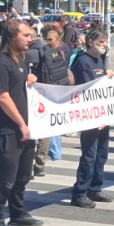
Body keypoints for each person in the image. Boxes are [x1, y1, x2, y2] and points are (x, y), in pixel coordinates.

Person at [0, 19, 42, 226]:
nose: (31, 39)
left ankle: (17, 211)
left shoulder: (23, 59)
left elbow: (17, 86)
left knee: (23, 175)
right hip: (7, 130)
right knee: (4, 178)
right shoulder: (0, 63)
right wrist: (20, 123)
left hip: (26, 129)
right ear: (11, 37)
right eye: (26, 35)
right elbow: (2, 96)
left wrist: (29, 78)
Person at [70, 30, 114, 208]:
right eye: (101, 41)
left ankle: (95, 188)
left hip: (103, 115)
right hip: (89, 116)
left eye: (105, 42)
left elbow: (102, 85)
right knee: (89, 156)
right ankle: (79, 192)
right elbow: (88, 90)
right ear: (90, 42)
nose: (104, 45)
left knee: (101, 154)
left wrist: (108, 75)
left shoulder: (100, 60)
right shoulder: (83, 61)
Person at [29, 25, 72, 176]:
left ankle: (33, 165)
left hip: (39, 95)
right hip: (54, 93)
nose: (47, 42)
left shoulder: (34, 53)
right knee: (46, 131)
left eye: (50, 39)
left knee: (36, 132)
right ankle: (41, 165)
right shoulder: (60, 52)